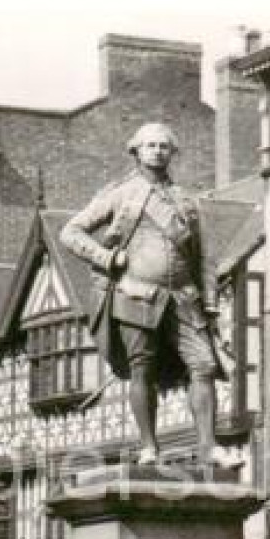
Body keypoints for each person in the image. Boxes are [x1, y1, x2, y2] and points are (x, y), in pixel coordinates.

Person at [60, 121, 237, 470]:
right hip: (136, 294)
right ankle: (148, 447)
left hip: (184, 298)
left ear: (172, 152)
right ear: (136, 151)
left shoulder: (187, 201)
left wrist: (211, 302)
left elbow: (203, 258)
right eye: (150, 145)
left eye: (163, 146)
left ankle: (208, 446)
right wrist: (106, 257)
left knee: (203, 365)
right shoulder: (120, 194)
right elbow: (71, 231)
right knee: (143, 369)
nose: (157, 151)